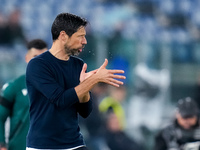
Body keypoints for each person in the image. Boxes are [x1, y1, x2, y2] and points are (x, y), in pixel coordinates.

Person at [25, 12, 126, 150]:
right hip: (43, 145)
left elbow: (85, 111)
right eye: (80, 36)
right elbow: (61, 100)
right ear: (63, 36)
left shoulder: (78, 64)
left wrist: (86, 87)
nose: (85, 41)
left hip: (74, 143)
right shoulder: (38, 65)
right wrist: (92, 81)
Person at [0, 39, 48, 150]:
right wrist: (1, 143)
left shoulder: (57, 86)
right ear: (27, 58)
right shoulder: (15, 86)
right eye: (35, 57)